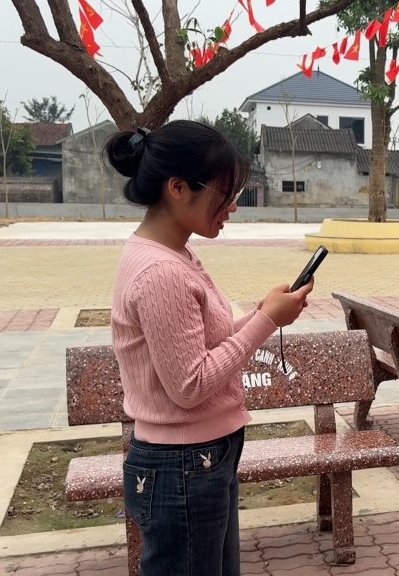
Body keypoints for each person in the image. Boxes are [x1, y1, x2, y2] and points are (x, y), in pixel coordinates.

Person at [106, 120, 313, 575]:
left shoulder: (175, 255)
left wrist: (263, 312)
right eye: (223, 195)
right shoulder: (161, 272)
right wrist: (264, 321)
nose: (232, 207)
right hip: (184, 466)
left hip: (198, 460)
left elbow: (201, 345)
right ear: (177, 188)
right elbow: (190, 383)